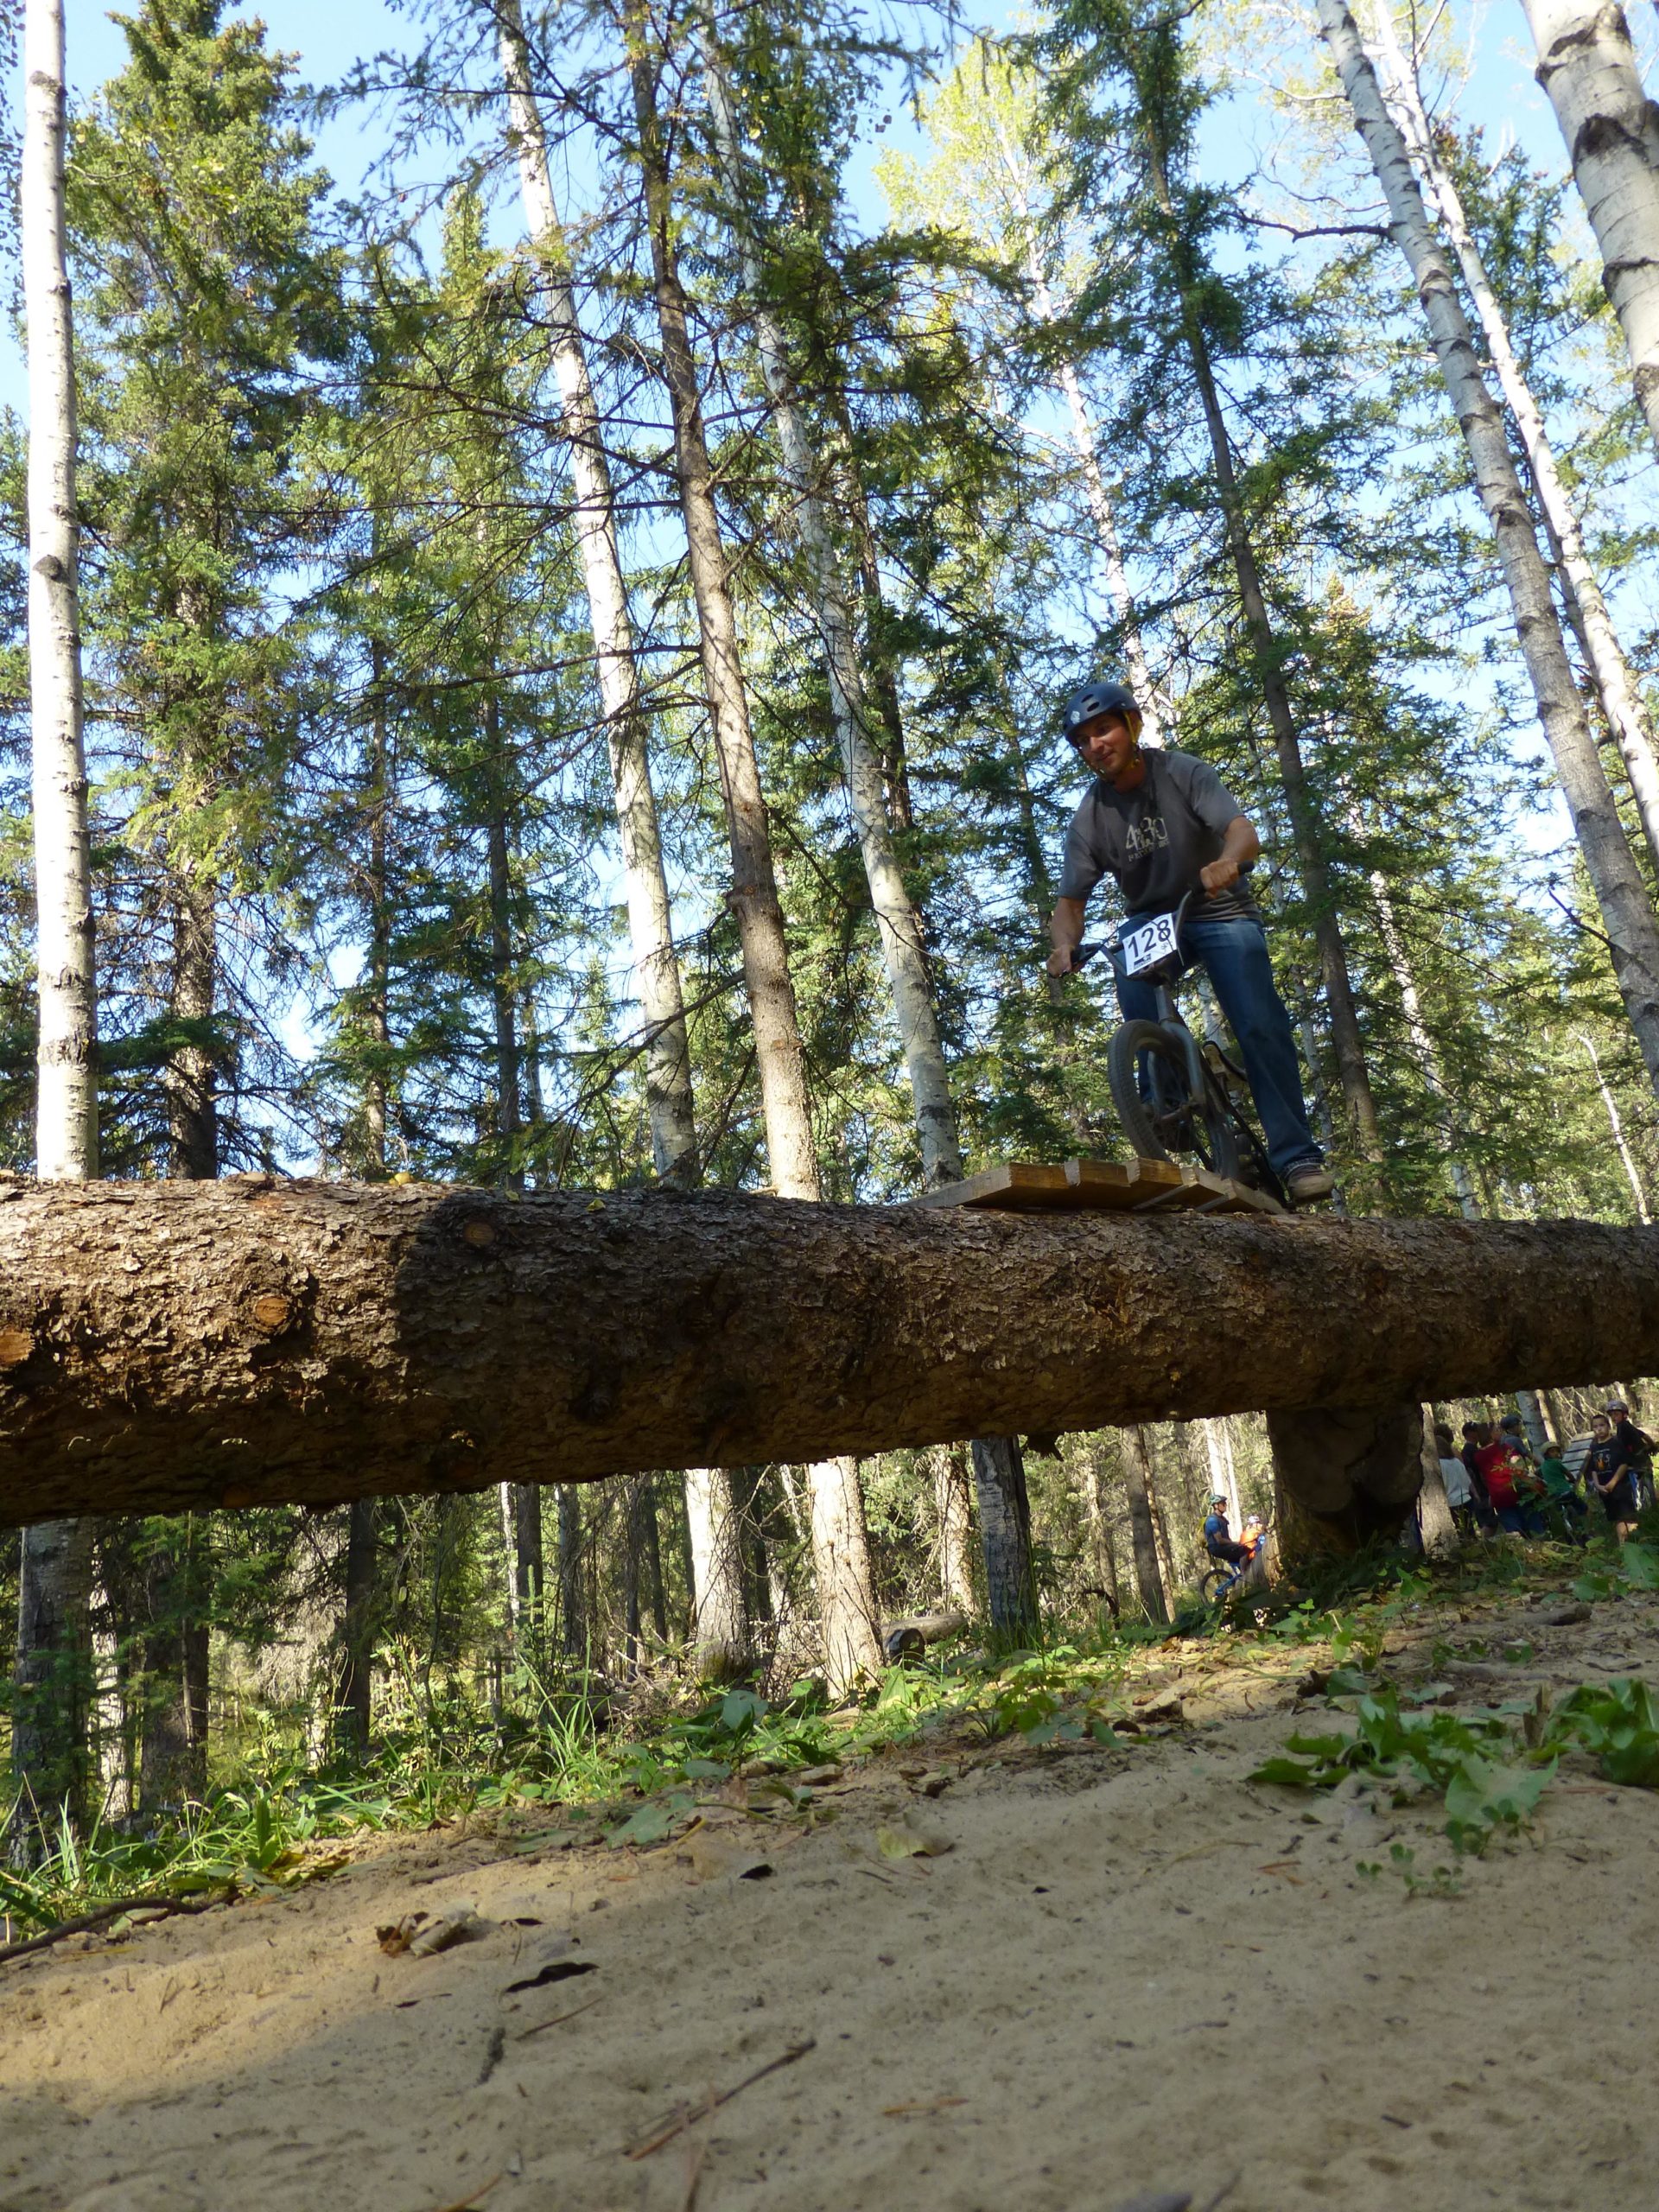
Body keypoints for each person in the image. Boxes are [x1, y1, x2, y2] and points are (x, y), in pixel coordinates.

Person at [1044, 679, 1335, 1206]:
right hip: (1152, 920)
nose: (1095, 746)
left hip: (1216, 906)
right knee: (1132, 987)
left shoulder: (1183, 772)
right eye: (1083, 740)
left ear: (1131, 724)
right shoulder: (1089, 816)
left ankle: (1296, 1155)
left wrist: (1228, 861)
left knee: (1257, 1021)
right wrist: (1064, 945)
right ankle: (1165, 1105)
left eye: (1103, 729)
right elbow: (1070, 904)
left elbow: (1242, 831)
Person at [1474, 1421, 1545, 1539]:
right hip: (1519, 1492)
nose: (1500, 1431)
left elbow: (1484, 1478)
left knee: (1515, 1535)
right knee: (1535, 1530)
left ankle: (1523, 1555)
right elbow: (1520, 1468)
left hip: (1499, 1498)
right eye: (1497, 1430)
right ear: (1489, 1434)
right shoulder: (1505, 1448)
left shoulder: (1478, 1456)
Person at [1585, 1412, 1642, 1543]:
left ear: (1608, 1426)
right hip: (1604, 1489)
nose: (1599, 1429)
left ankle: (1634, 1543)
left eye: (1602, 1425)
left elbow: (1624, 1464)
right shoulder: (1593, 1447)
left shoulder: (1615, 1442)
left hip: (1620, 1487)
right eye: (1595, 1426)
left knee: (1627, 1515)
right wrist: (1598, 1485)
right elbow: (1593, 1468)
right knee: (1616, 1517)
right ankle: (1624, 1545)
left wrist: (1613, 1482)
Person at [1538, 1439, 1589, 1547]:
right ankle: (1588, 1530)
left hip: (1555, 1495)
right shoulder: (1557, 1463)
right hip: (1566, 1491)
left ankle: (1570, 1535)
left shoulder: (1542, 1467)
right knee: (1584, 1509)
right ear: (1546, 1454)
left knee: (1562, 1515)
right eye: (1552, 1452)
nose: (1556, 1453)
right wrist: (1572, 1480)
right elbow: (1569, 1474)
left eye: (1556, 1451)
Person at [1606, 1401, 1655, 1514]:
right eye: (1611, 1415)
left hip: (1634, 1463)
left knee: (1637, 1490)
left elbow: (1620, 1447)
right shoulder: (1628, 1426)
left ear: (1624, 1414)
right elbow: (1644, 1435)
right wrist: (1652, 1446)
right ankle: (1652, 1511)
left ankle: (1643, 1512)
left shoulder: (1622, 1427)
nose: (1613, 1417)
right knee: (1648, 1487)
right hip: (1643, 1460)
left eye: (1616, 1414)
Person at [1434, 1422, 1478, 1537]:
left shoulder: (1440, 1465)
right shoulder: (1457, 1462)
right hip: (1466, 1499)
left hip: (1452, 1502)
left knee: (1461, 1534)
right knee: (1469, 1531)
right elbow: (1466, 1480)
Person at [1203, 1494, 1250, 1573]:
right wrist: (1234, 1543)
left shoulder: (1221, 1519)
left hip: (1223, 1546)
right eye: (1223, 1503)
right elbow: (1219, 1540)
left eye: (1225, 1503)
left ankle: (1242, 1578)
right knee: (1244, 1551)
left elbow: (1226, 1538)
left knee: (1241, 1557)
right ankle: (1245, 1577)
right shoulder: (1212, 1520)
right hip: (1217, 1548)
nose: (1225, 1505)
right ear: (1216, 1506)